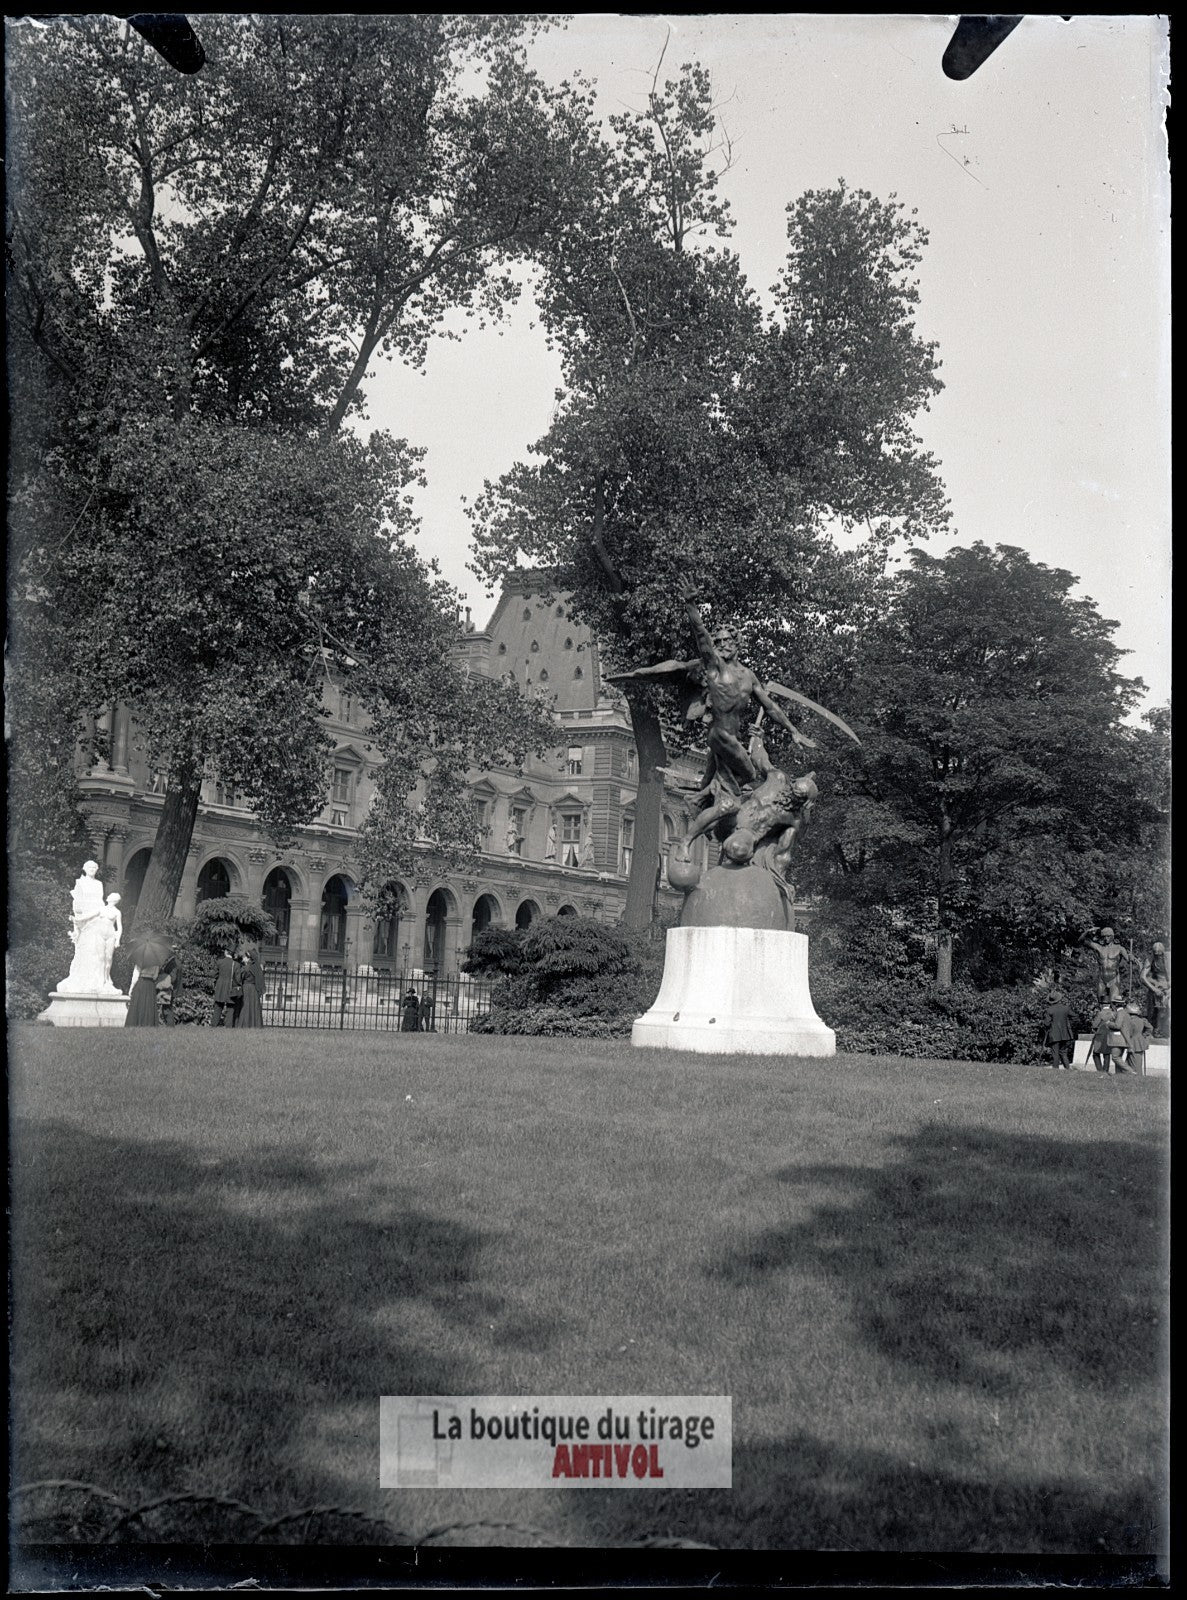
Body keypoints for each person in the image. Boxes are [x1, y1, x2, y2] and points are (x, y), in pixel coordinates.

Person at [1081, 926, 1128, 1003]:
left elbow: (1129, 960)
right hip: (1102, 979)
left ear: (1112, 936)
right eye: (1104, 936)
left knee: (1114, 1002)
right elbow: (1081, 940)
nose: (1106, 938)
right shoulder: (1099, 947)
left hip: (1114, 979)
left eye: (1108, 936)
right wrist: (1088, 931)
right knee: (1101, 1003)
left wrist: (1131, 957)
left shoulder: (1120, 948)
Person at [1140, 942, 1170, 1037]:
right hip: (1157, 987)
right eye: (1155, 954)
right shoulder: (1150, 958)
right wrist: (1154, 989)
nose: (1157, 956)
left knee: (1166, 1010)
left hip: (1168, 987)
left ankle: (1165, 1030)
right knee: (1153, 1010)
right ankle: (1154, 1030)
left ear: (1163, 952)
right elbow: (1142, 977)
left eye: (1159, 954)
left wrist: (1169, 991)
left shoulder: (1169, 958)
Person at [235, 945, 266, 1028]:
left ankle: (245, 1024)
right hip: (254, 989)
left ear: (249, 958)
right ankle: (255, 1024)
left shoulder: (247, 967)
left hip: (247, 988)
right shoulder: (256, 967)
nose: (243, 958)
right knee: (254, 1006)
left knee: (246, 1006)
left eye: (245, 957)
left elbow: (239, 978)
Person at [1044, 993, 1075, 1069]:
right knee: (1063, 1052)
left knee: (1055, 1053)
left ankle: (1055, 1070)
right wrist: (1067, 1023)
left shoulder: (1049, 1010)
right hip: (1065, 1034)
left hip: (1054, 1034)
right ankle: (1067, 1069)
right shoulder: (1066, 1008)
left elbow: (1046, 1024)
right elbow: (1075, 1017)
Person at [213, 947, 243, 1027]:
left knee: (218, 1007)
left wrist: (216, 984)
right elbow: (238, 979)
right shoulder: (236, 965)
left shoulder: (219, 962)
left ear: (226, 952)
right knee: (230, 1008)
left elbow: (215, 975)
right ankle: (228, 1026)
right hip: (230, 988)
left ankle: (214, 1025)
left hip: (220, 988)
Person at [1122, 1001, 1153, 1075]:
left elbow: (1128, 1032)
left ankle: (1137, 1077)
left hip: (1133, 1043)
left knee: (1134, 1063)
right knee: (1134, 1061)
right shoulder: (1142, 1020)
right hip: (1140, 1043)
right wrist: (1144, 1035)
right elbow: (1150, 1028)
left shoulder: (1129, 1021)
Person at [1089, 1001, 1117, 1073]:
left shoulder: (1100, 1013)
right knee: (1107, 1053)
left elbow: (1095, 1025)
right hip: (1110, 1035)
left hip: (1100, 1036)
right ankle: (1105, 1070)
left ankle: (1100, 1070)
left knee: (1095, 1053)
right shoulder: (1113, 1013)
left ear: (1102, 1005)